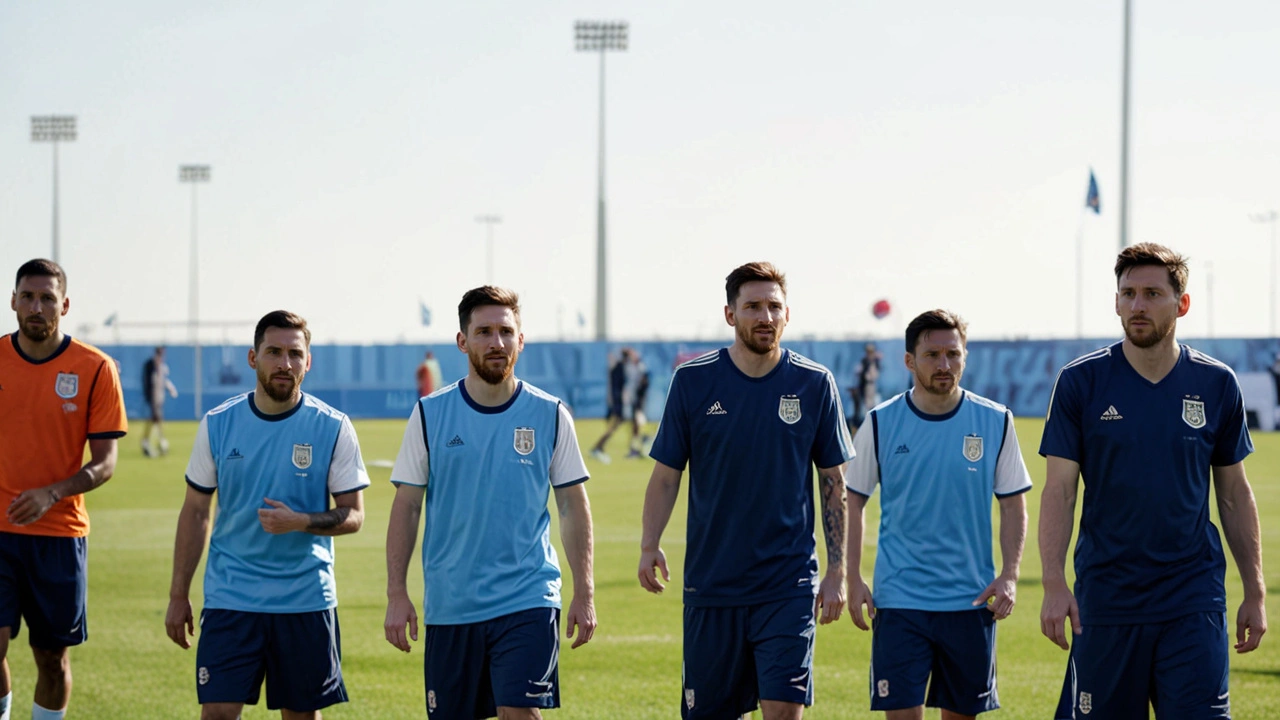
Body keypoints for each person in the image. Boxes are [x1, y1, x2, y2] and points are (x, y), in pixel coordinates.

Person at [1039, 243, 1266, 719]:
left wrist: (1255, 589)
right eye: (1128, 294)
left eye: (1151, 294)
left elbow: (1233, 494)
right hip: (1106, 599)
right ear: (1116, 301)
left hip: (1192, 597)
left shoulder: (1217, 383)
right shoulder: (1080, 382)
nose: (1137, 305)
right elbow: (1059, 491)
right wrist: (1055, 583)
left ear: (1181, 304)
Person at [638, 261, 854, 720]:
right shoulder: (693, 381)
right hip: (712, 584)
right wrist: (648, 544)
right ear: (730, 314)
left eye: (774, 306)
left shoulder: (814, 384)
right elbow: (666, 475)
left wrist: (837, 570)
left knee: (783, 710)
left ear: (788, 314)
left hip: (787, 583)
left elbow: (834, 483)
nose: (765, 316)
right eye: (753, 306)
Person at [384, 286, 596, 720]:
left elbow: (573, 505)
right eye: (483, 332)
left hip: (528, 596)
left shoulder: (550, 413)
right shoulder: (430, 414)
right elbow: (407, 507)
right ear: (462, 341)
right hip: (451, 603)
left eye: (505, 331)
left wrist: (585, 591)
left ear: (521, 339)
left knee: (520, 713)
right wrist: (396, 593)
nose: (496, 343)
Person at [166, 310, 369, 720]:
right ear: (252, 358)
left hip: (305, 600)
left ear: (308, 361)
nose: (284, 363)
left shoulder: (333, 426)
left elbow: (353, 515)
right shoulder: (219, 424)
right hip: (232, 597)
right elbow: (195, 512)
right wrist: (177, 594)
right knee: (218, 713)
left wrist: (302, 521)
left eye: (295, 354)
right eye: (273, 352)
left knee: (301, 716)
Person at [845, 309, 1031, 719]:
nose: (944, 365)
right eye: (932, 355)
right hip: (899, 603)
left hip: (971, 601)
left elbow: (1013, 502)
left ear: (965, 357)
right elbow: (853, 498)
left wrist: (1010, 575)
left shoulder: (995, 420)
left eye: (953, 354)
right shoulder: (880, 423)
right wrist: (853, 577)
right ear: (910, 360)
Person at [0, 259, 127, 720]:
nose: (37, 306)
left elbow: (106, 463)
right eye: (28, 297)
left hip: (58, 535)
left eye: (48, 298)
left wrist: (50, 494)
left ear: (65, 305)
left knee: (52, 661)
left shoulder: (95, 368)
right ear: (13, 301)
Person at [589, 348, 631, 464]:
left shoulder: (616, 367)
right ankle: (597, 447)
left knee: (613, 427)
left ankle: (599, 447)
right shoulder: (620, 368)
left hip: (616, 401)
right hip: (618, 402)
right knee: (613, 428)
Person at [141, 345, 178, 458]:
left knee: (155, 419)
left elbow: (164, 380)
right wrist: (149, 396)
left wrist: (171, 389)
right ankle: (160, 442)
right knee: (157, 418)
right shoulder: (150, 365)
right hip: (153, 397)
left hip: (159, 397)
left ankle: (148, 442)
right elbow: (148, 382)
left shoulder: (162, 366)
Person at [850, 342, 881, 428]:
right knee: (862, 408)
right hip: (864, 386)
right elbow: (860, 374)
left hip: (870, 387)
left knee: (871, 405)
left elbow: (874, 375)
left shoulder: (874, 362)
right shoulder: (864, 362)